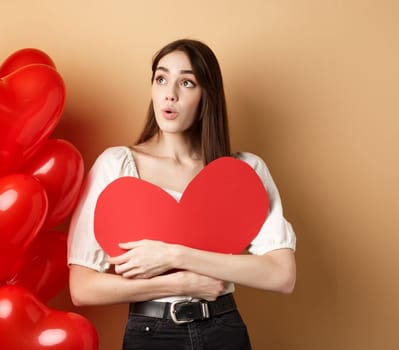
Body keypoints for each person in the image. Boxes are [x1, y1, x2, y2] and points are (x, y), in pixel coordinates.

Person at [67, 39, 296, 350]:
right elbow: (83, 288)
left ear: (207, 96)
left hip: (223, 330)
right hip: (151, 333)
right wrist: (179, 282)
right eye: (161, 79)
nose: (169, 93)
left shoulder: (243, 172)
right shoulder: (118, 165)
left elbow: (281, 275)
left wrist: (172, 254)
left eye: (186, 82)